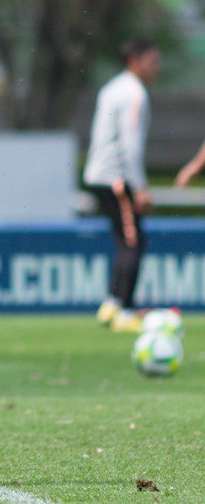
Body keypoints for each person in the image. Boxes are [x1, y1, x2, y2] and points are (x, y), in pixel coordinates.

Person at [84, 39, 161, 333]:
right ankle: (124, 309)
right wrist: (140, 186)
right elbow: (130, 144)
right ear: (135, 61)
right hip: (117, 177)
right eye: (153, 61)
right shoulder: (134, 93)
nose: (157, 68)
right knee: (133, 242)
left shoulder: (112, 87)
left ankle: (112, 304)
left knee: (125, 240)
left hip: (100, 174)